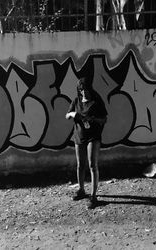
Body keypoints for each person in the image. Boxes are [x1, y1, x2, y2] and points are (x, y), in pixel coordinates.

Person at [65, 77, 107, 209]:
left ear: (90, 88)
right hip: (79, 136)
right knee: (80, 165)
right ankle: (81, 191)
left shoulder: (96, 100)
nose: (83, 92)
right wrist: (73, 114)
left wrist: (93, 118)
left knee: (92, 165)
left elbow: (104, 119)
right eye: (81, 90)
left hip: (93, 137)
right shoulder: (76, 101)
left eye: (86, 89)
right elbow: (67, 115)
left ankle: (93, 196)